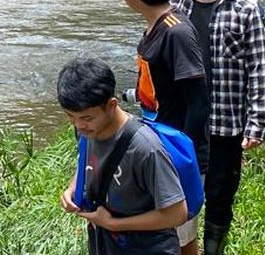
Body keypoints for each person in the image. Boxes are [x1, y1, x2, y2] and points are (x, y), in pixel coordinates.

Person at [170, 0, 265, 255]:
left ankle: (213, 249)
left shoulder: (243, 12)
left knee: (221, 193)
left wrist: (256, 124)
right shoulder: (177, 5)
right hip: (185, 121)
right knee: (182, 189)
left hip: (226, 121)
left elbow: (257, 68)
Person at [117, 0, 209, 255]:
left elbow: (199, 101)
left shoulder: (175, 32)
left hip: (178, 152)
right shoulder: (159, 26)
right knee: (168, 235)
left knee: (182, 237)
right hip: (161, 144)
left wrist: (184, 154)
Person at [58, 57, 188, 255]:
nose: (78, 125)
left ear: (112, 105)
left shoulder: (145, 147)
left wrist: (114, 224)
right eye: (70, 117)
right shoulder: (87, 131)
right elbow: (88, 161)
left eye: (86, 118)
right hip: (107, 244)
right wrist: (72, 188)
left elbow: (177, 214)